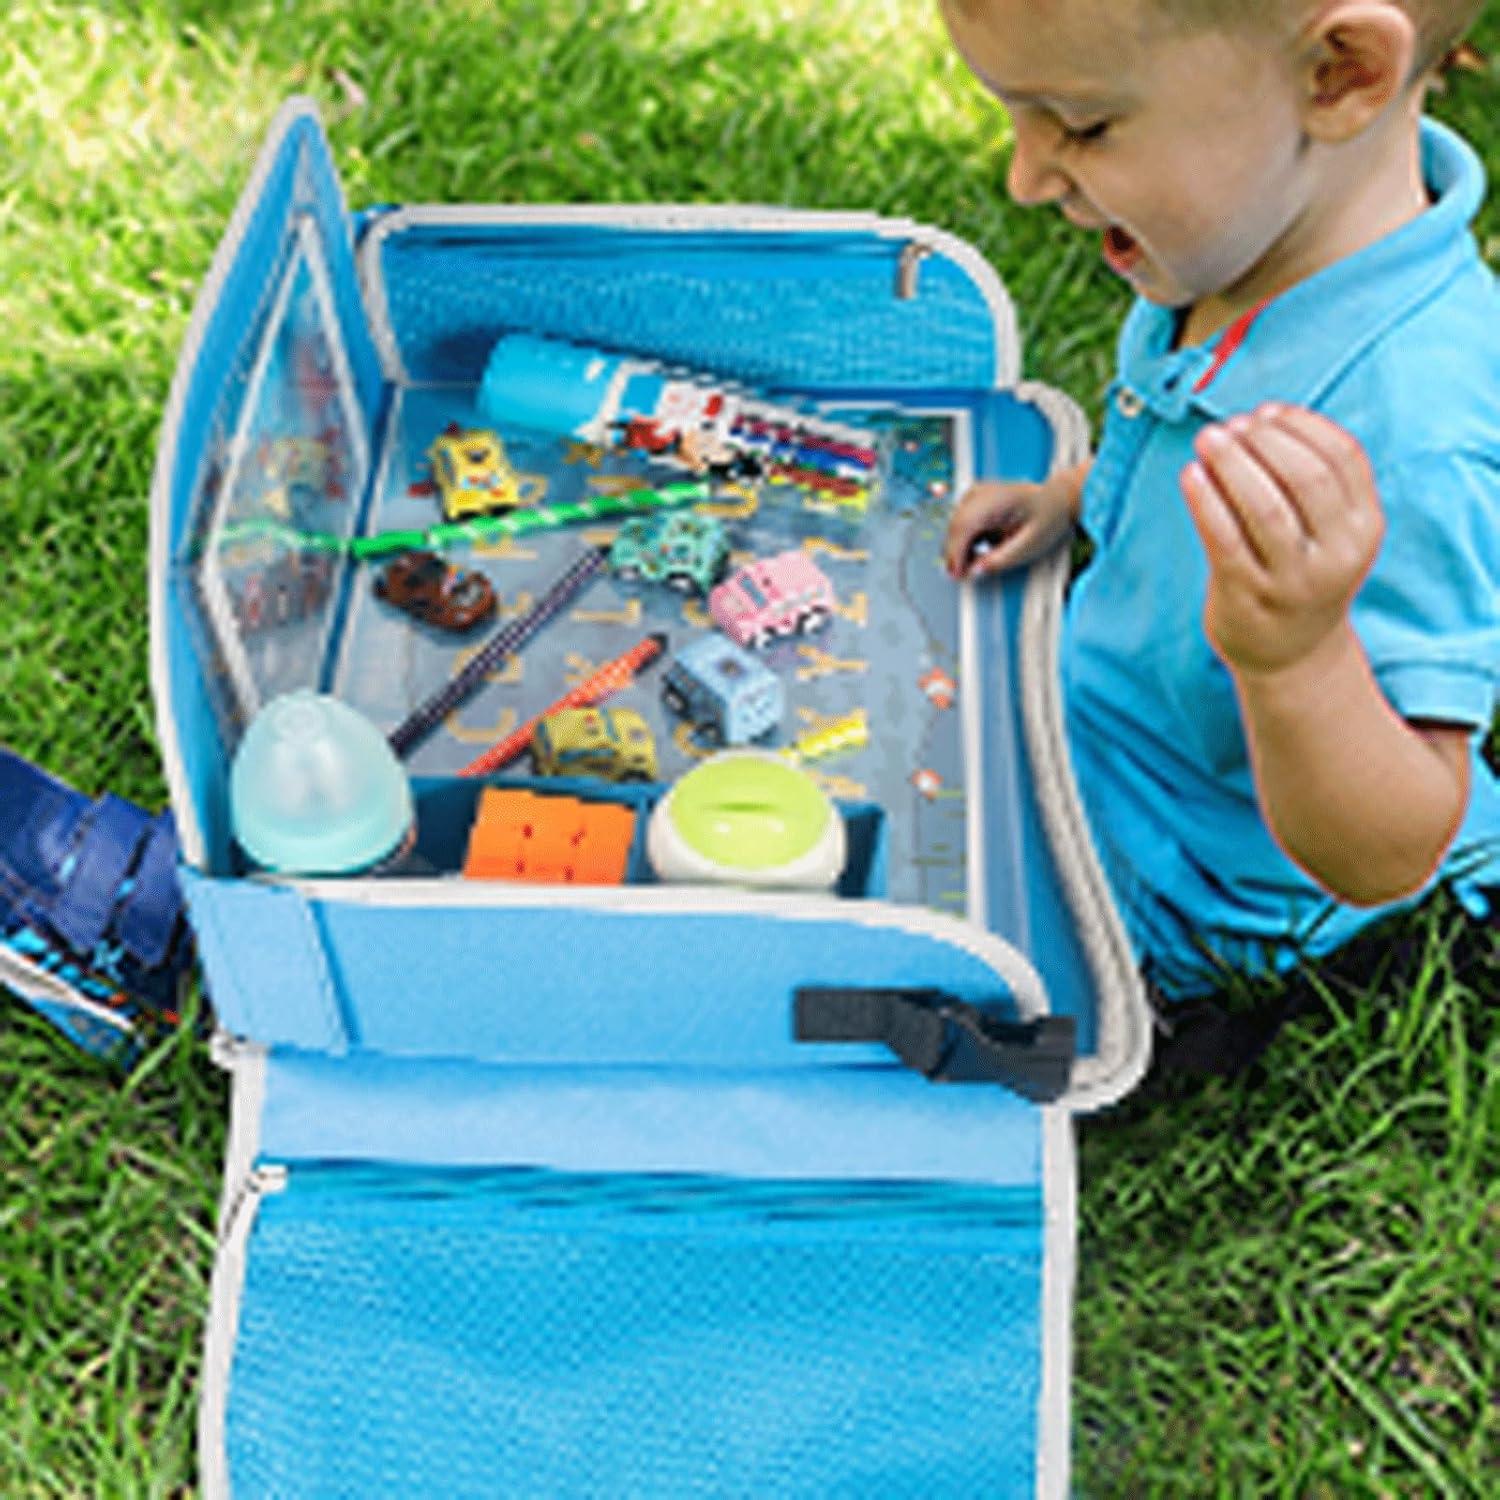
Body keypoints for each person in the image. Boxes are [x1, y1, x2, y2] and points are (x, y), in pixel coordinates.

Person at [939, 0, 1498, 1000]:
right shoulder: (1247, 248)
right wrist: (1077, 498)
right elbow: (1178, 447)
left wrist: (1297, 657)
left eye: (1083, 126)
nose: (1025, 179)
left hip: (1193, 887)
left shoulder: (1412, 432)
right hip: (1104, 740)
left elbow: (1394, 847)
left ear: (1339, 73)